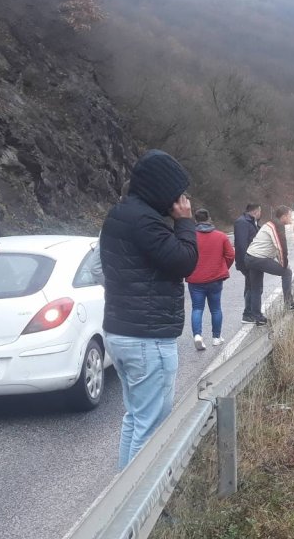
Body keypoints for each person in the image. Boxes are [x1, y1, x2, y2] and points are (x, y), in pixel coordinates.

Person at [100, 149, 198, 469]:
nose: (181, 201)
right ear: (161, 189)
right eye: (177, 194)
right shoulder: (145, 222)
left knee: (136, 418)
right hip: (147, 338)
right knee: (151, 428)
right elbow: (185, 261)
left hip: (122, 331)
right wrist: (185, 223)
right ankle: (139, 500)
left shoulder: (120, 214)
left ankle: (124, 489)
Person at [186, 209, 235, 350]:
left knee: (197, 308)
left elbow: (184, 255)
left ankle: (197, 335)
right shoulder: (221, 236)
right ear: (209, 219)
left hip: (195, 279)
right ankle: (216, 338)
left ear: (195, 220)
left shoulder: (190, 237)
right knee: (215, 309)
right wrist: (222, 268)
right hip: (215, 278)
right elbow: (230, 255)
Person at [246, 205, 294, 325]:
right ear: (284, 216)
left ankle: (257, 318)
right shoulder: (277, 225)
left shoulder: (271, 223)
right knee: (287, 273)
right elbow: (281, 247)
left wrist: (282, 262)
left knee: (256, 288)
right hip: (259, 258)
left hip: (250, 257)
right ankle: (289, 304)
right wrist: (284, 264)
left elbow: (276, 248)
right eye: (290, 216)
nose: (291, 218)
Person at [233, 203, 262, 323]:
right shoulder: (242, 222)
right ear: (255, 211)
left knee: (251, 285)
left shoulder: (251, 222)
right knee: (252, 286)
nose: (260, 214)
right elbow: (241, 244)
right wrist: (246, 260)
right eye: (260, 211)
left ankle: (251, 312)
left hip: (253, 259)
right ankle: (248, 314)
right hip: (248, 260)